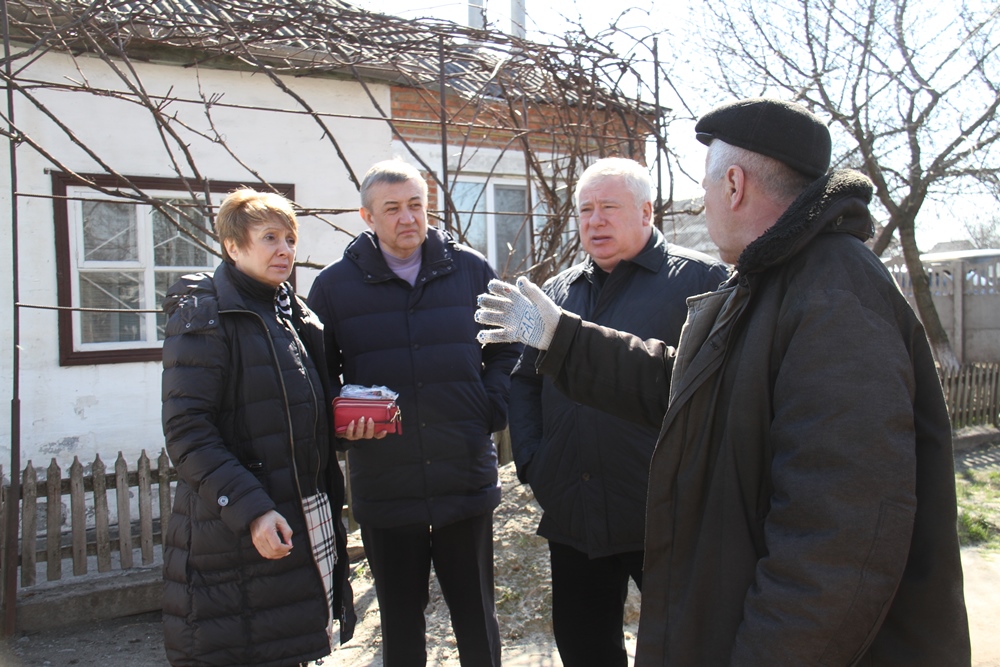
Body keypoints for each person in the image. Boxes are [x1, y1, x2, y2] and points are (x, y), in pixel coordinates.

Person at [475, 98, 971, 665]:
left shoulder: (834, 298)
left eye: (707, 187)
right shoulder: (771, 281)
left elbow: (833, 548)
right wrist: (563, 338)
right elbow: (692, 389)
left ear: (733, 184)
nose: (706, 202)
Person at [507, 157, 728, 666]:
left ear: (647, 211)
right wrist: (537, 464)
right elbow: (523, 381)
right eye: (585, 210)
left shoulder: (703, 282)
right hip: (575, 513)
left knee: (687, 649)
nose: (595, 221)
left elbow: (718, 396)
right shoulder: (558, 293)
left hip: (666, 515)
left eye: (609, 207)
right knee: (585, 650)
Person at [307, 159, 522, 667]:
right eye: (392, 208)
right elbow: (317, 379)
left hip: (462, 476)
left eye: (416, 205)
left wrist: (487, 408)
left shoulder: (470, 269)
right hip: (386, 482)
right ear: (367, 216)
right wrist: (345, 427)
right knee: (401, 624)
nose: (408, 218)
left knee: (476, 617)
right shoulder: (334, 288)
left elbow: (507, 349)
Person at [160, 188, 355, 666]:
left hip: (300, 516)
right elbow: (187, 430)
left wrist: (347, 425)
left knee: (296, 649)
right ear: (232, 246)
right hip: (238, 531)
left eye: (289, 237)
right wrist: (251, 511)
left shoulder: (290, 313)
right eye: (269, 237)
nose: (285, 249)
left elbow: (297, 416)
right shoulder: (205, 313)